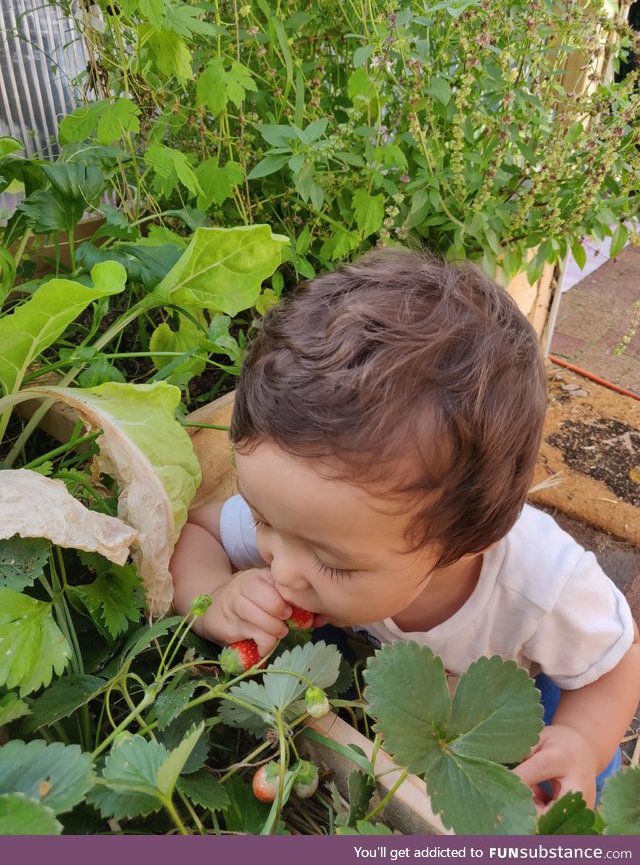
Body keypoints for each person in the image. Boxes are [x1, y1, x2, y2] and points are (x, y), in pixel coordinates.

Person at [169, 248, 640, 810]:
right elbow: (195, 532)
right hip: (402, 695)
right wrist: (214, 595)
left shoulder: (543, 584)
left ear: (466, 542)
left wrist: (583, 742)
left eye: (333, 562)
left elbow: (615, 665)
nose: (281, 567)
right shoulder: (308, 519)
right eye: (263, 520)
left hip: (507, 707)